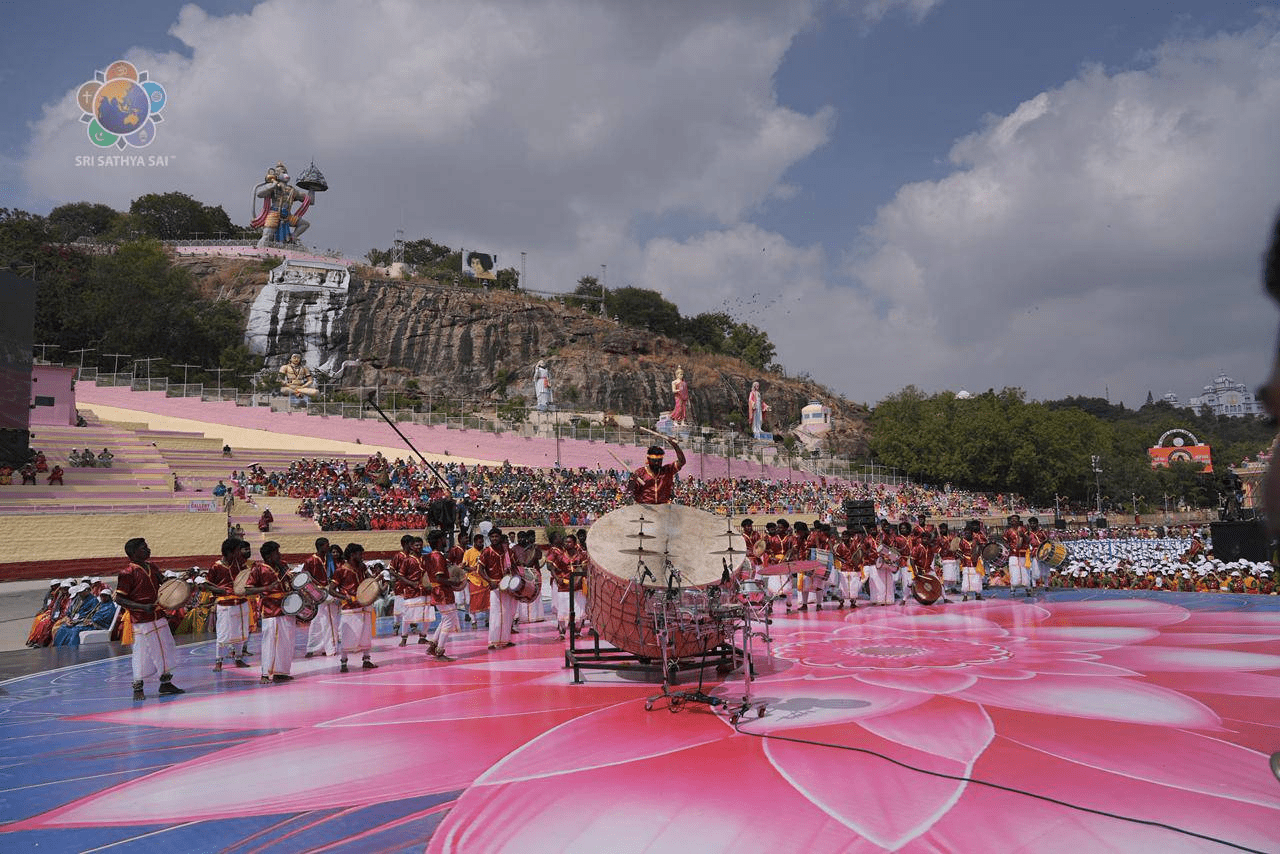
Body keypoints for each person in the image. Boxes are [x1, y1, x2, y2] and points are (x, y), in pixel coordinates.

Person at [114, 538, 185, 701]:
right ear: (133, 553)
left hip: (158, 616)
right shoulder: (127, 573)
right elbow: (119, 599)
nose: (148, 550)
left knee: (165, 648)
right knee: (142, 653)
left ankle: (166, 683)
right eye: (143, 548)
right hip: (141, 620)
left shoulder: (152, 567)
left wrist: (175, 583)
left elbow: (163, 584)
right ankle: (138, 687)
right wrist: (143, 607)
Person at [244, 541, 296, 683]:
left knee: (287, 642)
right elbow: (248, 589)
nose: (279, 555)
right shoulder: (258, 569)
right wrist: (266, 588)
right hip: (270, 610)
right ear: (268, 555)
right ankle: (266, 674)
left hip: (287, 609)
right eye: (276, 553)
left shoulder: (283, 566)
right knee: (270, 642)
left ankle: (282, 672)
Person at [206, 537, 252, 671]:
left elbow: (247, 577)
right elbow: (208, 584)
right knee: (223, 633)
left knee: (241, 632)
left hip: (241, 602)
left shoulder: (240, 563)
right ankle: (218, 661)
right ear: (229, 552)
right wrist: (220, 590)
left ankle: (238, 658)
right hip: (225, 604)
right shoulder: (216, 567)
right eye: (238, 550)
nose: (240, 553)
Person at [330, 543, 377, 672]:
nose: (362, 556)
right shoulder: (341, 570)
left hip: (365, 604)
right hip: (350, 606)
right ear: (352, 555)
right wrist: (344, 597)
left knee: (366, 632)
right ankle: (344, 662)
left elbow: (369, 581)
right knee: (348, 634)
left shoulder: (362, 567)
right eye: (360, 554)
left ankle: (366, 659)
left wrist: (375, 581)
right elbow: (331, 590)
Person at [422, 529, 458, 660]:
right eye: (444, 538)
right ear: (439, 541)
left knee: (445, 619)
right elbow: (439, 578)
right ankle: (440, 651)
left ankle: (433, 645)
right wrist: (453, 581)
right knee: (449, 620)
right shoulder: (437, 556)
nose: (446, 541)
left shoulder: (430, 556)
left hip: (438, 591)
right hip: (442, 592)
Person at [304, 537, 341, 658]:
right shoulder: (310, 561)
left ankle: (324, 647)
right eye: (326, 545)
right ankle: (320, 648)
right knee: (320, 621)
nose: (328, 547)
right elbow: (305, 578)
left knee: (330, 620)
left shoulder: (330, 559)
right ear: (320, 547)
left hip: (330, 591)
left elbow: (335, 575)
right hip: (317, 593)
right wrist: (315, 592)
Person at [482, 528, 516, 650]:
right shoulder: (486, 552)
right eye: (492, 537)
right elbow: (480, 570)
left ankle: (506, 640)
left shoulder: (507, 552)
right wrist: (489, 581)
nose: (495, 539)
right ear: (489, 538)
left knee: (507, 613)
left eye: (497, 536)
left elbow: (514, 566)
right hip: (495, 587)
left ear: (500, 537)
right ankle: (492, 641)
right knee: (495, 614)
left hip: (506, 586)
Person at [627, 438, 686, 504]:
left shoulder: (667, 470)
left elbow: (682, 461)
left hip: (663, 508)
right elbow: (631, 488)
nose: (657, 463)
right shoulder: (640, 473)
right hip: (644, 509)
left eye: (659, 461)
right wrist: (630, 491)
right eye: (654, 461)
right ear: (648, 459)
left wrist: (675, 445)